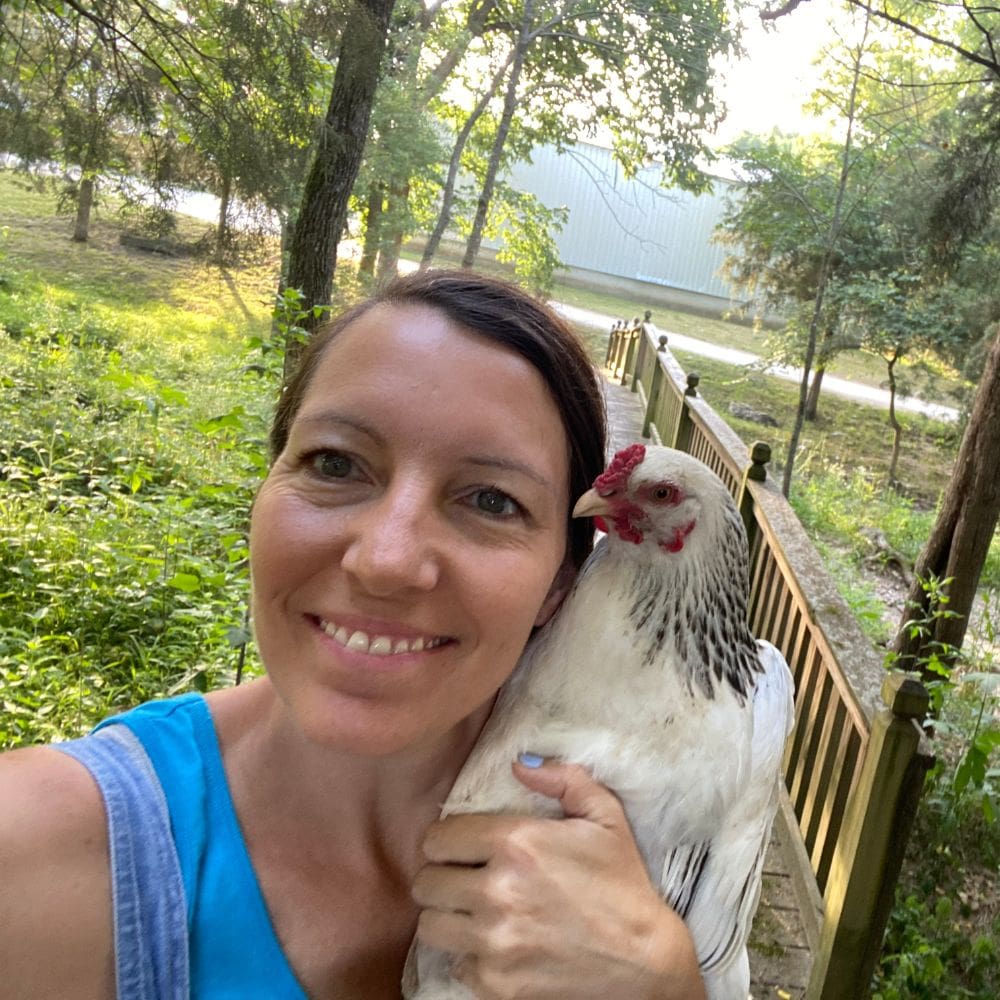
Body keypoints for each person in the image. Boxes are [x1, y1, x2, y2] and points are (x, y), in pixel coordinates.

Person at [0, 269, 707, 999]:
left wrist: (665, 982)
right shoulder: (30, 854)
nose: (387, 560)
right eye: (335, 463)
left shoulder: (648, 856)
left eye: (492, 500)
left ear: (559, 583)